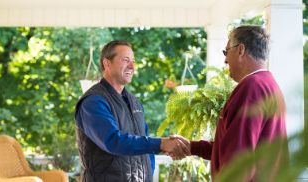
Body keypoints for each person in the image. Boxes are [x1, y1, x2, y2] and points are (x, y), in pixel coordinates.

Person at [174, 26, 287, 180]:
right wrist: (192, 147)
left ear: (240, 50)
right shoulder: (268, 84)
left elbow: (239, 160)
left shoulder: (251, 88)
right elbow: (233, 145)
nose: (225, 59)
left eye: (226, 51)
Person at [75, 40, 190, 182]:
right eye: (125, 60)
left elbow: (145, 142)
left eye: (133, 61)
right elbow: (113, 141)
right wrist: (161, 143)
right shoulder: (93, 101)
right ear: (107, 63)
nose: (132, 66)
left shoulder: (134, 102)